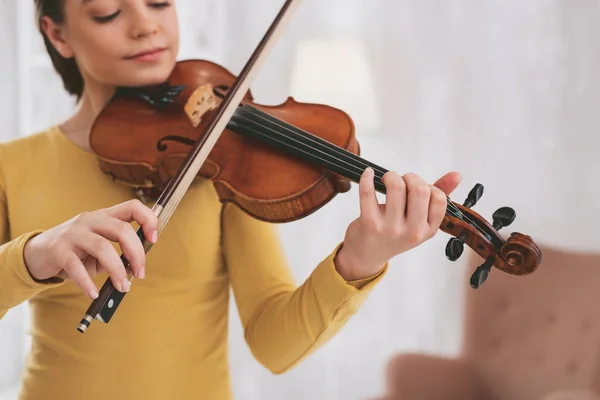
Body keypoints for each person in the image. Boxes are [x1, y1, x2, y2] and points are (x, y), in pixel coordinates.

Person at [0, 1, 462, 399]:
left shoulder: (222, 155)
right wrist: (32, 257)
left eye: (160, 2)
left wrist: (360, 259)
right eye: (108, 12)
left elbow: (274, 345)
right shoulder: (14, 166)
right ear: (57, 34)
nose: (146, 25)